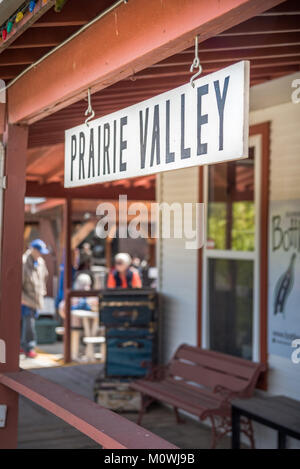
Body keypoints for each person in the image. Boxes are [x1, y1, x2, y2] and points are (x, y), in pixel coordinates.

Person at [21, 239, 49, 358]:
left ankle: (23, 346)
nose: (40, 254)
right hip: (25, 299)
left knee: (28, 323)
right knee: (29, 324)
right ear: (32, 249)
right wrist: (22, 298)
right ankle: (29, 348)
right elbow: (18, 284)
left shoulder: (41, 262)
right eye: (39, 251)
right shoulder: (23, 262)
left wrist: (42, 291)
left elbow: (45, 276)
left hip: (36, 299)